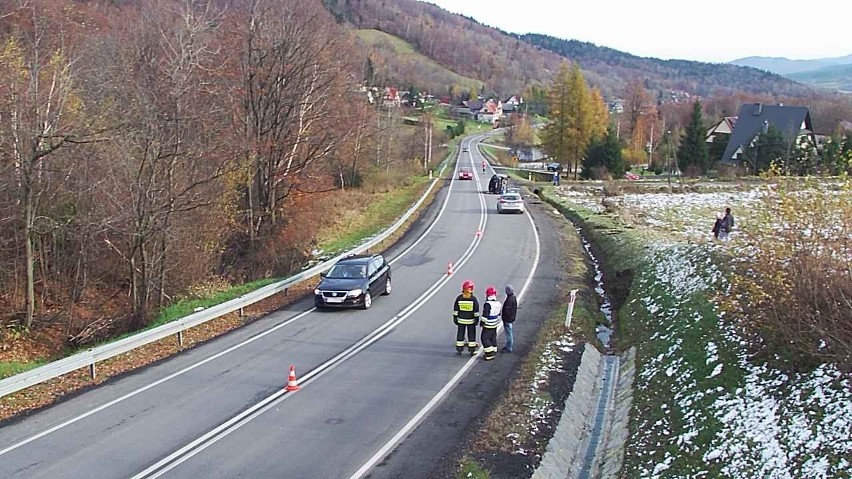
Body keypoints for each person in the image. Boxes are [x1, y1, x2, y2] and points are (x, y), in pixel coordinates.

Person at [453, 280, 480, 356]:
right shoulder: (473, 299)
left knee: (460, 335)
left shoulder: (459, 298)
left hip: (461, 320)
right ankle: (472, 350)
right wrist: (476, 320)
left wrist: (455, 319)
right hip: (470, 321)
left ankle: (459, 349)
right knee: (471, 336)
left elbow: (455, 310)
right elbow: (476, 311)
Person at [480, 286, 502, 361]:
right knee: (493, 338)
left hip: (488, 325)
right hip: (495, 324)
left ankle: (489, 354)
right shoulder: (498, 303)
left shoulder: (488, 304)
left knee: (484, 338)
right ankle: (494, 349)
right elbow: (499, 315)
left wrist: (482, 323)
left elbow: (485, 315)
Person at [501, 284, 517, 353]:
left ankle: (509, 347)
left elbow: (507, 311)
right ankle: (508, 346)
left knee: (509, 334)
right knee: (509, 333)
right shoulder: (513, 298)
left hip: (508, 320)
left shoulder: (510, 300)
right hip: (511, 318)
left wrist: (505, 317)